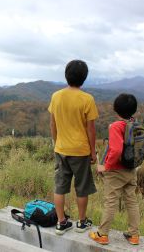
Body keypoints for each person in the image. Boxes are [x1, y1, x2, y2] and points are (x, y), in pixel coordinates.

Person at [48, 59, 98, 235]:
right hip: (81, 150)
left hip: (61, 149)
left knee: (60, 186)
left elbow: (52, 124)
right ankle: (82, 222)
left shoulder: (56, 96)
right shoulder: (87, 99)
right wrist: (93, 152)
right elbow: (90, 129)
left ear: (66, 75)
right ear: (84, 78)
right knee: (82, 187)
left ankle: (61, 222)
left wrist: (56, 142)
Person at [89, 93, 140, 245]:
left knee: (110, 201)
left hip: (116, 171)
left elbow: (116, 150)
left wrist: (105, 166)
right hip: (131, 169)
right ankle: (134, 234)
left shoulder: (116, 126)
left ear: (115, 109)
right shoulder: (135, 125)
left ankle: (102, 234)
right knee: (131, 201)